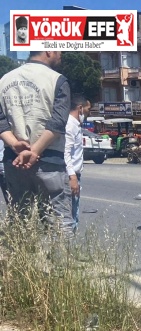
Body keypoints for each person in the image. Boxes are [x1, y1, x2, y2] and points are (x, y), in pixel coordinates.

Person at [0, 51, 73, 233]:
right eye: (59, 51)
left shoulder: (4, 80)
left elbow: (1, 121)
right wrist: (34, 151)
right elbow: (57, 123)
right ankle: (59, 261)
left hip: (14, 160)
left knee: (20, 219)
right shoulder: (57, 80)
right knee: (58, 221)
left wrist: (14, 145)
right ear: (49, 50)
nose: (61, 55)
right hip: (49, 160)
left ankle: (23, 261)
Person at [64, 94, 91, 231]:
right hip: (71, 175)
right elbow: (66, 152)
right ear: (80, 108)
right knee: (70, 216)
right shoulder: (70, 125)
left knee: (74, 213)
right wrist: (72, 176)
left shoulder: (76, 125)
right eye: (87, 110)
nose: (87, 113)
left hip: (75, 175)